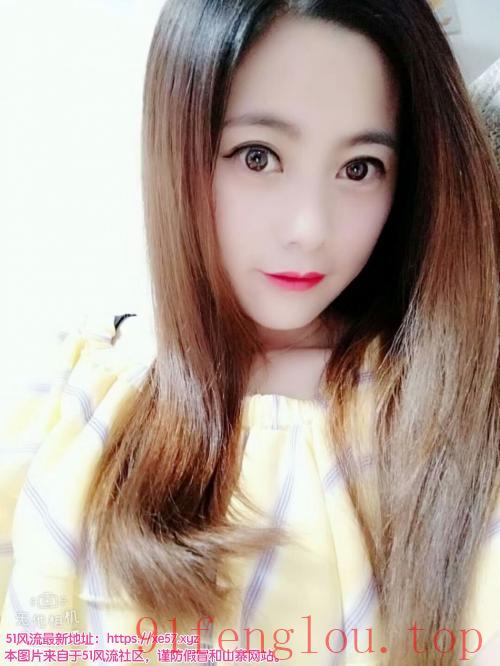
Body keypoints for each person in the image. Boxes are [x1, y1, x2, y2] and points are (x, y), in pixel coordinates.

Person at [1, 1, 499, 665]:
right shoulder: (71, 405)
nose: (309, 228)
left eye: (359, 167)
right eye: (258, 156)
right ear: (177, 147)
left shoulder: (451, 412)